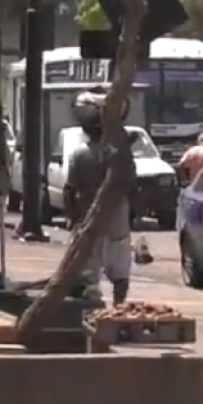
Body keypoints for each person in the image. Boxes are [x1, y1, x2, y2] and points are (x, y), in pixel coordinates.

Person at [65, 105, 133, 305]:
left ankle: (92, 309)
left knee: (88, 271)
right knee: (120, 269)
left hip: (88, 218)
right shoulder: (120, 154)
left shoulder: (79, 155)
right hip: (117, 216)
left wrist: (72, 217)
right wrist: (132, 216)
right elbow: (131, 184)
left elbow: (69, 189)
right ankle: (118, 306)